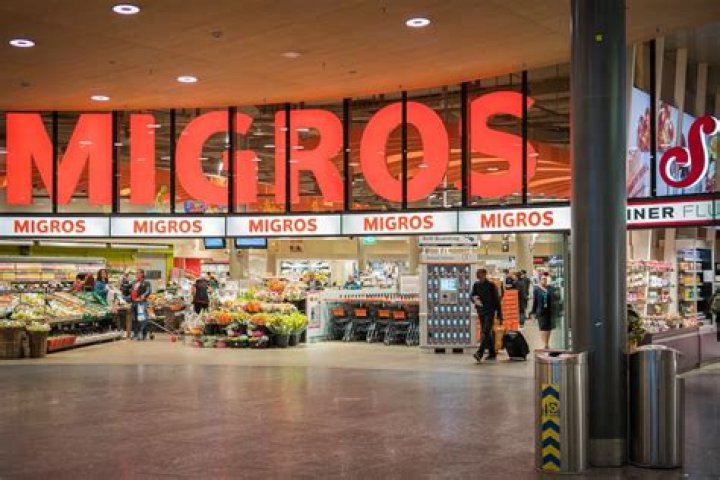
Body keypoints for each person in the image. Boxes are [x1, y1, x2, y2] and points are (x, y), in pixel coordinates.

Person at [471, 268, 503, 362]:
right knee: (487, 332)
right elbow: (472, 295)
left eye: (480, 274)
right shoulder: (476, 285)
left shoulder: (491, 285)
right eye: (477, 274)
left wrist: (500, 314)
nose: (478, 276)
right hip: (481, 311)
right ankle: (492, 353)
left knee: (485, 331)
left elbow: (497, 300)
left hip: (489, 312)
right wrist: (474, 300)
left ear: (484, 275)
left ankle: (479, 353)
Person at [532, 274, 554, 349]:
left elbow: (553, 298)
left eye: (545, 279)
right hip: (540, 311)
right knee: (542, 327)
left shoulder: (550, 288)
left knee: (548, 328)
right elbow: (535, 301)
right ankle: (545, 344)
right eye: (543, 279)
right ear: (540, 280)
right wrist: (533, 312)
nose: (544, 280)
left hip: (549, 311)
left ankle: (547, 342)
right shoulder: (537, 289)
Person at [130, 269, 152, 340]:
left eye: (138, 273)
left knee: (142, 318)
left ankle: (144, 334)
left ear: (142, 274)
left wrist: (142, 296)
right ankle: (135, 333)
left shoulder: (146, 282)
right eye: (136, 273)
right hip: (134, 302)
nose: (136, 274)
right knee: (134, 319)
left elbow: (148, 291)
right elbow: (132, 291)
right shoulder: (134, 282)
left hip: (142, 302)